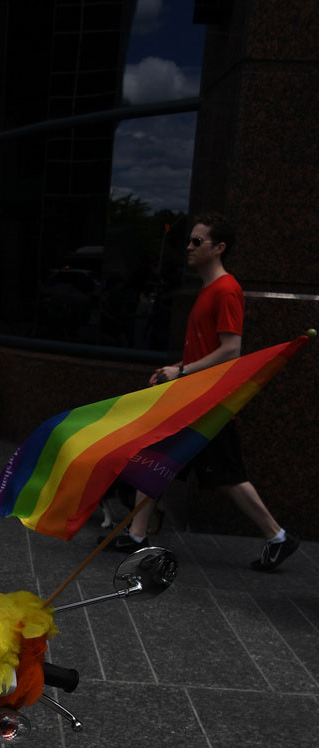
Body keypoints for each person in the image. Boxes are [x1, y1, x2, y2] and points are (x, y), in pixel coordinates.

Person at [107, 212, 299, 572]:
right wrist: (173, 372)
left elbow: (231, 350)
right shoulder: (209, 290)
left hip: (210, 403)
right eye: (190, 240)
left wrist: (180, 370)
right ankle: (135, 534)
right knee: (154, 457)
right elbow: (205, 351)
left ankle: (277, 536)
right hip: (194, 397)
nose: (189, 247)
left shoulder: (226, 290)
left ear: (219, 248)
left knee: (227, 477)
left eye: (197, 241)